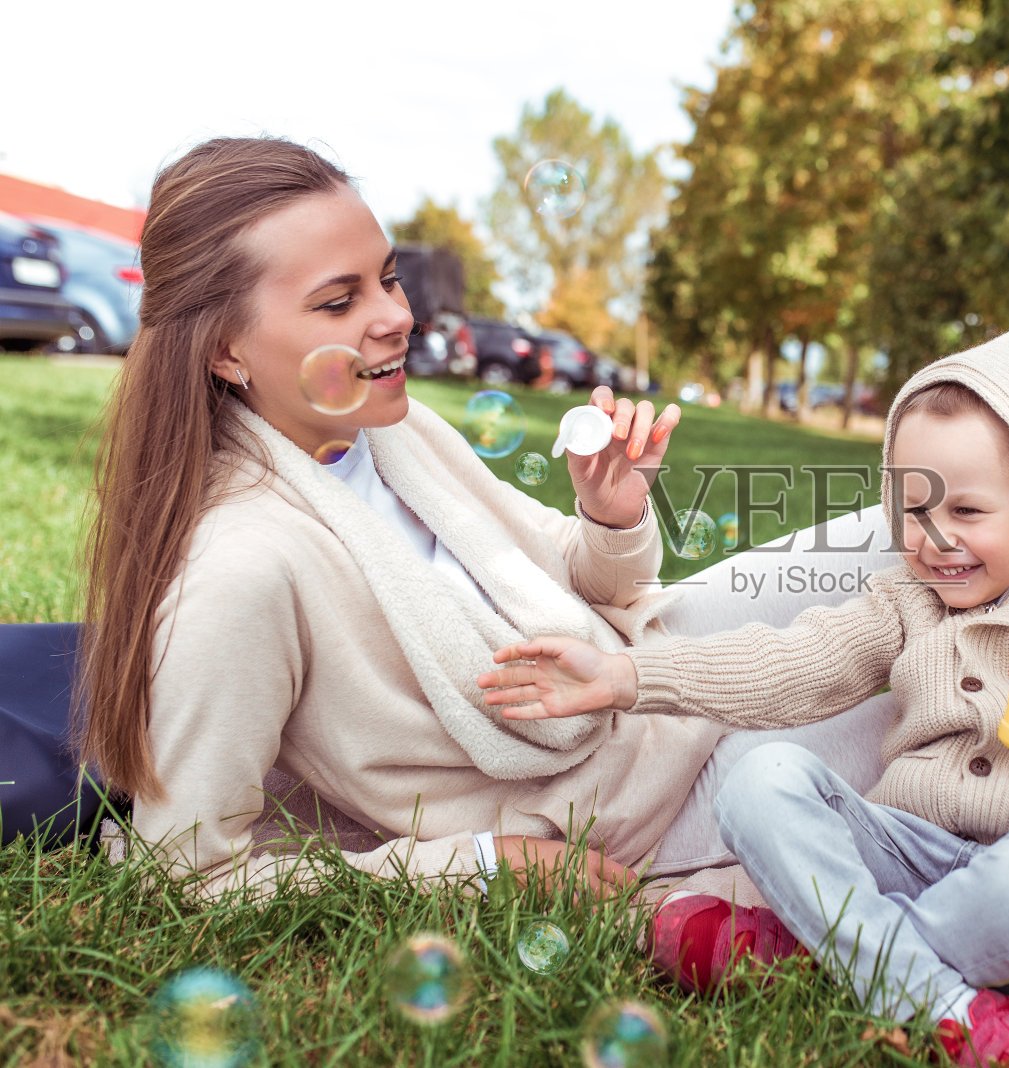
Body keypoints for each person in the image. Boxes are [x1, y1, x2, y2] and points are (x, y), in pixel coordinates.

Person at [72, 136, 898, 904]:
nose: (396, 316)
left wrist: (609, 520)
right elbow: (183, 869)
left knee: (910, 531)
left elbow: (558, 576)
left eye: (388, 279)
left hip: (631, 678)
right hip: (622, 808)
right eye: (338, 302)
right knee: (941, 708)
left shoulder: (387, 432)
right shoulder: (241, 567)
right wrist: (482, 862)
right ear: (225, 350)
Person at [481, 325, 1009, 1068]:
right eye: (914, 510)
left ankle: (817, 954)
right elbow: (794, 663)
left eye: (967, 513)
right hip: (910, 852)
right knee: (761, 778)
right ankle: (946, 1006)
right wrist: (625, 676)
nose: (934, 539)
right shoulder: (910, 599)